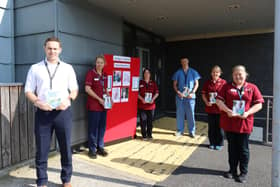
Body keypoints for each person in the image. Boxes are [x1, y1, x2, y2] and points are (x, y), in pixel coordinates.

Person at [25, 37, 78, 187]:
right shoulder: (35, 68)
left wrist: (68, 101)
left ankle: (66, 180)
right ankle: (41, 181)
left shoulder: (67, 68)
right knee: (42, 149)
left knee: (66, 148)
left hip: (63, 113)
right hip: (43, 113)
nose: (52, 51)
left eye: (55, 48)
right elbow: (28, 90)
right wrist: (37, 102)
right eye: (49, 48)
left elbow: (74, 89)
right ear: (44, 48)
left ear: (60, 50)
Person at [216, 65, 264, 183]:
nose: (238, 76)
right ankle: (232, 170)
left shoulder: (252, 88)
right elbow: (218, 101)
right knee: (232, 149)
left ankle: (243, 172)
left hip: (244, 124)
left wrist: (248, 112)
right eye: (235, 74)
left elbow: (259, 104)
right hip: (230, 123)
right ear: (232, 75)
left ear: (245, 74)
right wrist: (227, 110)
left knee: (243, 149)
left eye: (240, 73)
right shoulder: (226, 87)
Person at [85, 55, 111, 159]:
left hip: (104, 106)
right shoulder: (91, 73)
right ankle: (92, 150)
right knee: (93, 128)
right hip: (94, 106)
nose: (99, 64)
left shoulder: (105, 75)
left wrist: (110, 99)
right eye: (97, 62)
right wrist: (99, 99)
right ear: (95, 63)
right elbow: (87, 89)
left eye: (101, 62)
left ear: (104, 64)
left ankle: (100, 147)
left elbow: (106, 89)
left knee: (102, 128)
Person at [172, 57, 201, 138]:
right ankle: (179, 131)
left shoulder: (193, 72)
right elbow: (174, 85)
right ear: (181, 63)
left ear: (188, 62)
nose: (184, 63)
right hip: (180, 97)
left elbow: (196, 84)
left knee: (191, 114)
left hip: (190, 97)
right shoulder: (178, 72)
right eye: (182, 62)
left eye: (185, 61)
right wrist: (178, 92)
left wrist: (192, 92)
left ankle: (192, 131)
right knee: (179, 114)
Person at [201, 65, 226, 150]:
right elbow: (203, 94)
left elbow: (227, 95)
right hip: (210, 108)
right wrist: (206, 102)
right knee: (211, 127)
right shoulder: (207, 83)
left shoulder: (224, 83)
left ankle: (220, 143)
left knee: (220, 127)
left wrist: (222, 103)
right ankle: (212, 143)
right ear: (211, 73)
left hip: (220, 109)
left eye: (217, 72)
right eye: (213, 72)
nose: (215, 74)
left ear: (220, 73)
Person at [138, 68, 159, 140]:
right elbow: (136, 93)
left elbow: (157, 93)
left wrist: (153, 99)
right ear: (143, 74)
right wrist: (142, 99)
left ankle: (149, 134)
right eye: (145, 73)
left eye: (148, 73)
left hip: (151, 106)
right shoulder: (140, 82)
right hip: (142, 105)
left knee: (150, 121)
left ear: (150, 74)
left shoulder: (153, 83)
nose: (146, 74)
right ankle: (144, 135)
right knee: (143, 121)